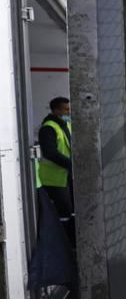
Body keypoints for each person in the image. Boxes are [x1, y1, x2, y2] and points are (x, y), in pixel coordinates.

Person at [38, 96, 74, 244]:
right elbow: (50, 153)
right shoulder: (49, 127)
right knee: (63, 212)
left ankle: (70, 241)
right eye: (66, 109)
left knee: (69, 210)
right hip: (53, 179)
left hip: (64, 176)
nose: (69, 112)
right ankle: (64, 243)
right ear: (56, 110)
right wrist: (71, 164)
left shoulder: (64, 124)